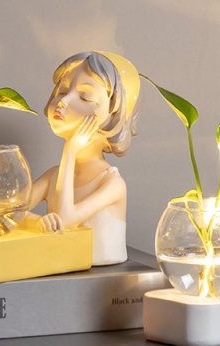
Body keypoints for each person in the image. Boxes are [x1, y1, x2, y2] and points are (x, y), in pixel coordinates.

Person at [21, 51, 140, 265]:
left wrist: (71, 150)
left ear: (113, 114)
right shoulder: (53, 176)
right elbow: (8, 213)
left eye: (86, 97)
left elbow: (65, 220)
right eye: (62, 91)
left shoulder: (112, 183)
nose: (63, 101)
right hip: (58, 268)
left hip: (102, 277)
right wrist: (37, 223)